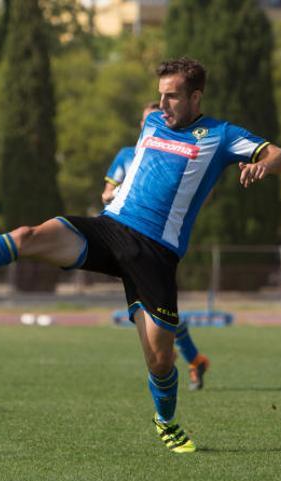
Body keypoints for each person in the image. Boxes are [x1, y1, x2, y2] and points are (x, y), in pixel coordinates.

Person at [0, 57, 281, 453]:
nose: (162, 105)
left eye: (172, 96)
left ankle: (166, 422)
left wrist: (261, 164)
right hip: (110, 228)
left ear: (196, 98)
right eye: (160, 96)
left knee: (160, 361)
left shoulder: (221, 135)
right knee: (28, 235)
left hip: (156, 253)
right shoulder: (152, 123)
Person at [104, 101, 210, 390]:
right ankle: (192, 358)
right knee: (152, 306)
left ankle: (188, 358)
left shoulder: (174, 154)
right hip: (126, 236)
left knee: (156, 305)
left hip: (160, 241)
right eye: (145, 120)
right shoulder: (126, 155)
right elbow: (107, 193)